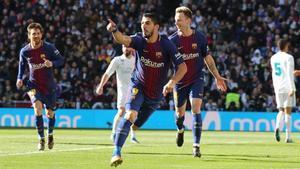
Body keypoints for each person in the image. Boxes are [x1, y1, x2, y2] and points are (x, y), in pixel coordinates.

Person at [106, 13, 187, 167]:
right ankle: (116, 152)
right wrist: (114, 30)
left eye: (148, 23)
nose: (144, 26)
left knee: (137, 124)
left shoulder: (167, 45)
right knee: (130, 115)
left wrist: (172, 82)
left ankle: (129, 131)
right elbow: (123, 39)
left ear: (156, 27)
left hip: (155, 95)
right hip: (138, 86)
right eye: (142, 23)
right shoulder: (138, 40)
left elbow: (183, 67)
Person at [169, 6, 227, 157]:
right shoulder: (172, 40)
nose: (177, 23)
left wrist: (217, 76)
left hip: (196, 78)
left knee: (196, 107)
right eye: (176, 21)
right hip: (180, 82)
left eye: (179, 20)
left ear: (188, 20)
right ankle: (180, 130)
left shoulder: (200, 38)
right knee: (179, 114)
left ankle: (196, 145)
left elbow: (208, 58)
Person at [16, 22, 64, 151]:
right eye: (33, 34)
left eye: (38, 33)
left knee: (50, 113)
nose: (36, 36)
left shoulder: (49, 48)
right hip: (33, 85)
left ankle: (50, 135)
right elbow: (21, 66)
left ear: (41, 34)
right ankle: (41, 139)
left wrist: (52, 63)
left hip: (49, 86)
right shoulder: (25, 51)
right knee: (37, 109)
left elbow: (61, 60)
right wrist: (19, 78)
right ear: (29, 35)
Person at [95, 45, 139, 143]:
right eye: (124, 47)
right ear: (122, 48)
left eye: (128, 47)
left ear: (132, 48)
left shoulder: (136, 60)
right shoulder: (117, 60)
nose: (126, 49)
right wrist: (101, 86)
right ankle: (114, 133)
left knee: (133, 113)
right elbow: (107, 73)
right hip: (123, 90)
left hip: (134, 90)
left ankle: (133, 135)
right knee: (121, 111)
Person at [271, 39, 296, 143]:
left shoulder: (273, 58)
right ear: (286, 46)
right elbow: (289, 74)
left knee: (280, 110)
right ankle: (288, 137)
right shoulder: (289, 57)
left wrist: (275, 87)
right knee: (288, 112)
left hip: (278, 87)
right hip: (287, 87)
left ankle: (277, 127)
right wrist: (293, 88)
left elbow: (274, 73)